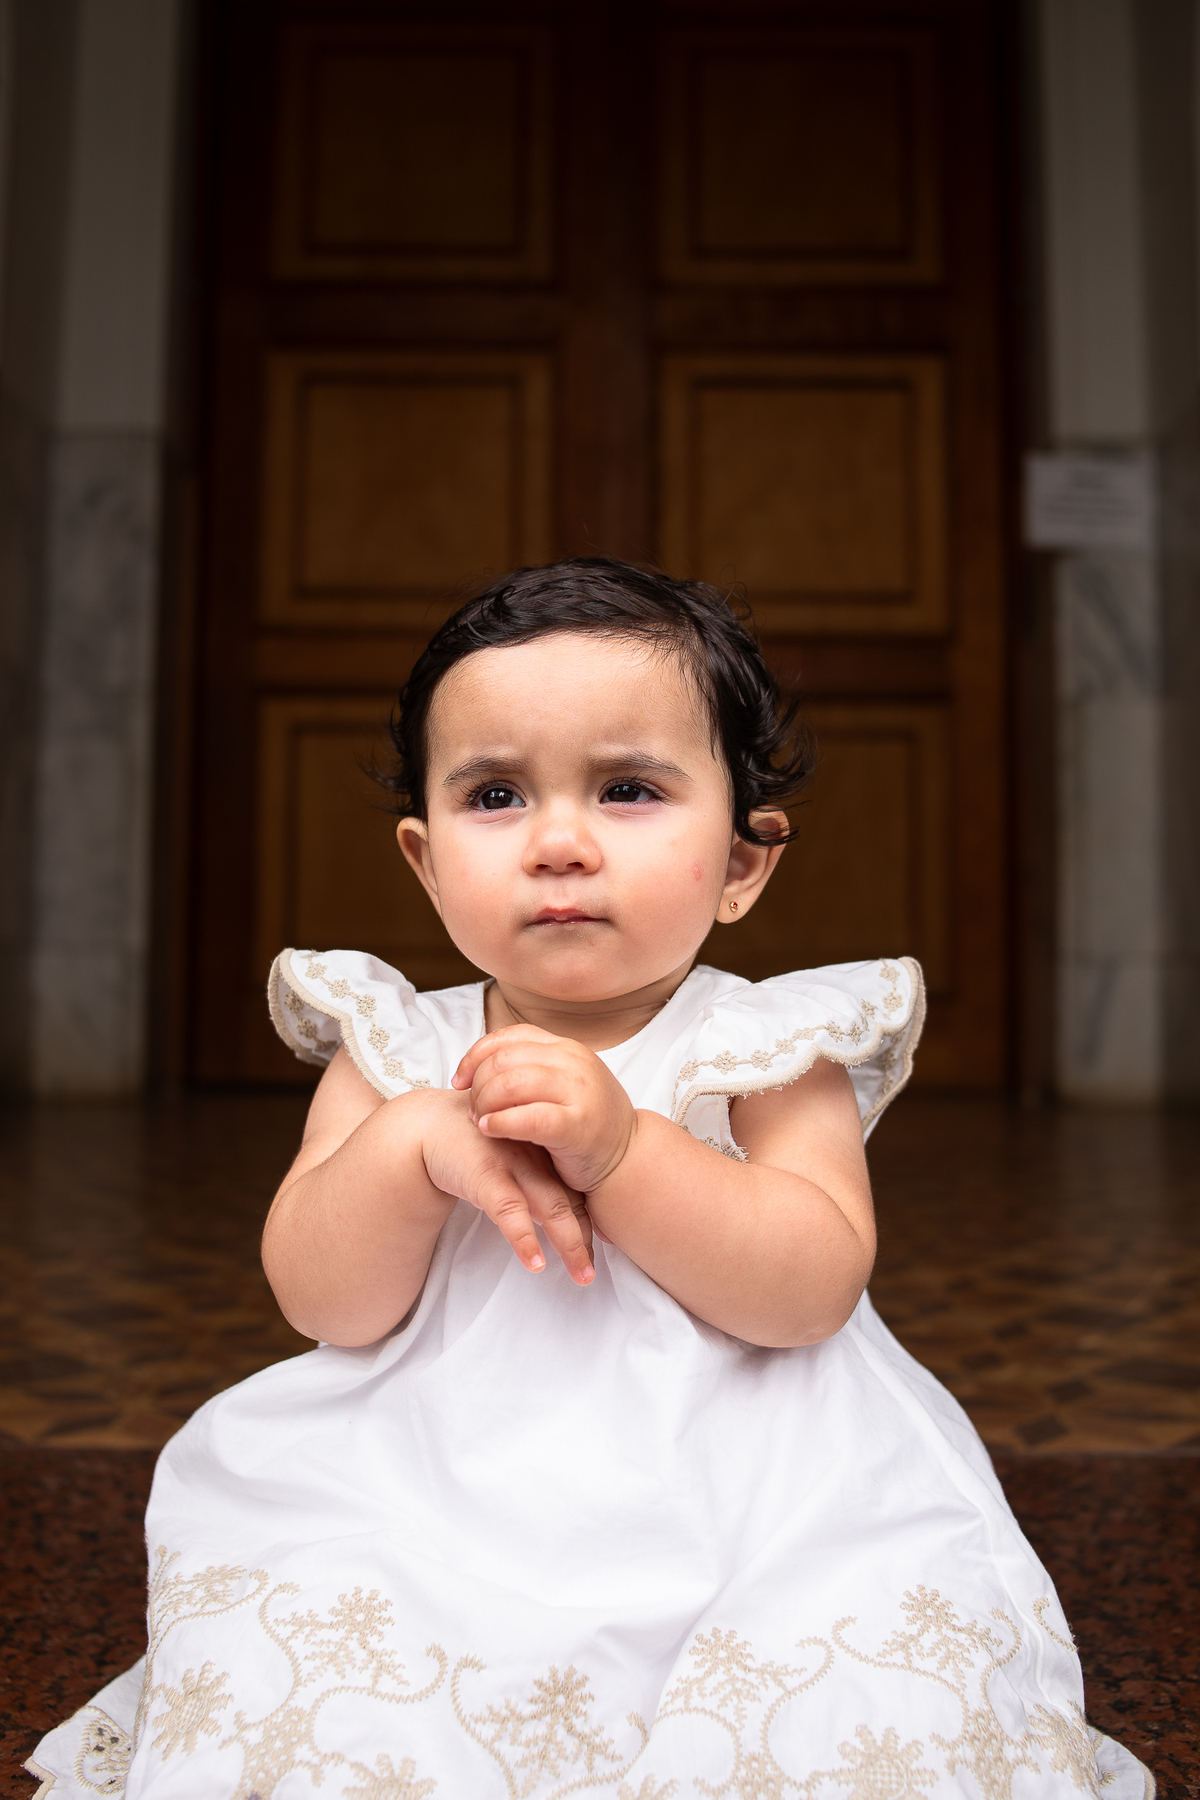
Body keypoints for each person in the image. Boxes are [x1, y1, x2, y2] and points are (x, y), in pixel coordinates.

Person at [28, 560, 1149, 1799]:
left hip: (750, 1499)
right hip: (434, 1487)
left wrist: (625, 1152)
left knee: (856, 1672)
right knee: (317, 1646)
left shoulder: (768, 1050)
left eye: (628, 789)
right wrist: (415, 1147)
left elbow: (810, 1289)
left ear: (743, 862)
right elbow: (323, 1300)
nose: (558, 844)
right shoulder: (395, 1048)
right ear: (425, 862)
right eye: (496, 795)